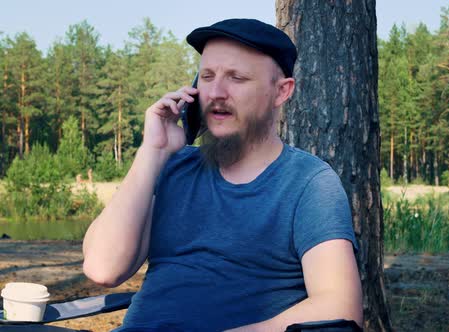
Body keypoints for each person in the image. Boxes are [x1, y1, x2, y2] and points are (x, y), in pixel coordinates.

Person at [82, 18, 362, 331]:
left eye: (237, 78)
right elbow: (103, 268)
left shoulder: (309, 183)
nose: (215, 92)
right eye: (207, 76)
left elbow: (341, 307)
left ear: (282, 91)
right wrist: (153, 150)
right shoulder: (172, 167)